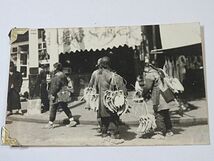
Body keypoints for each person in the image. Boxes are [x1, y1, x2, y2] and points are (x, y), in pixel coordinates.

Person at [88, 57, 123, 140]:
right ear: (108, 64)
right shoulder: (112, 74)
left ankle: (104, 133)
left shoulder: (98, 74)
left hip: (101, 99)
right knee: (113, 116)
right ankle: (113, 134)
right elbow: (116, 87)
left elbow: (93, 86)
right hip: (110, 99)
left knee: (103, 117)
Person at [142, 61, 173, 139]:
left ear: (148, 67)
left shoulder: (150, 74)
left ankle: (160, 132)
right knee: (165, 112)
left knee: (159, 113)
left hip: (158, 96)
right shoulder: (160, 71)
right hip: (166, 95)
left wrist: (143, 94)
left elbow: (147, 87)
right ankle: (169, 130)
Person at [44, 62, 77, 129]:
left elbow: (55, 87)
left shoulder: (56, 76)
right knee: (65, 107)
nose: (52, 69)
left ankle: (50, 123)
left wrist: (52, 94)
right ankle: (72, 120)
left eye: (53, 67)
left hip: (57, 95)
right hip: (63, 94)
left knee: (53, 107)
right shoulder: (63, 74)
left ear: (56, 68)